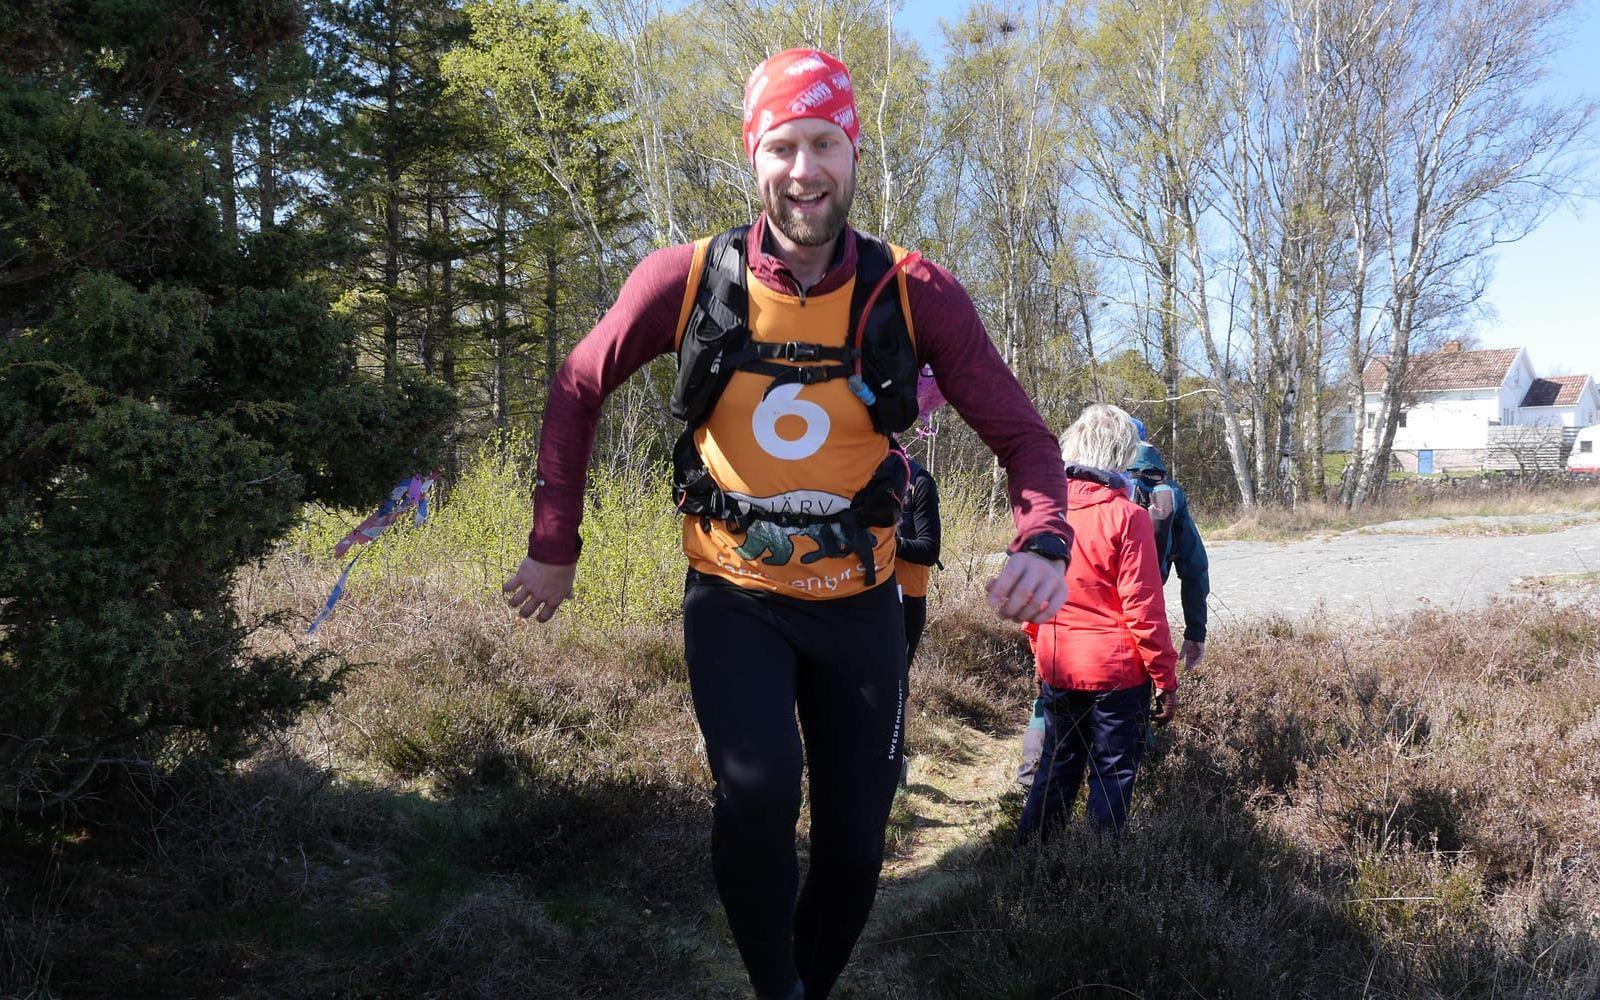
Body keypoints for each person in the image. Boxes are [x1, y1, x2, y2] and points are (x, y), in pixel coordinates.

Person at [500, 48, 1072, 1000]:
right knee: (760, 791)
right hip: (736, 596)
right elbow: (576, 385)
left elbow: (1024, 436)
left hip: (862, 604)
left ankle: (810, 975)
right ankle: (777, 990)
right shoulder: (687, 278)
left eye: (824, 145)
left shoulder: (912, 290)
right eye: (783, 147)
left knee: (855, 842)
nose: (804, 170)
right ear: (754, 157)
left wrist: (1045, 538)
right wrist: (555, 544)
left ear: (854, 152)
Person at [1015, 405, 1178, 843]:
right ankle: (1099, 875)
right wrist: (1165, 677)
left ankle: (1026, 868)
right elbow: (1143, 607)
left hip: (1060, 664)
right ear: (1121, 453)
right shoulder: (1127, 516)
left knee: (1055, 768)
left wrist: (1040, 658)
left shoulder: (1043, 512)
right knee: (1112, 775)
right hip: (1117, 673)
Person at [1127, 441, 1209, 669]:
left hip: (1088, 618)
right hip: (1146, 612)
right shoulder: (1172, 495)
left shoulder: (1089, 489)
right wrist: (1195, 631)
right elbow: (1195, 568)